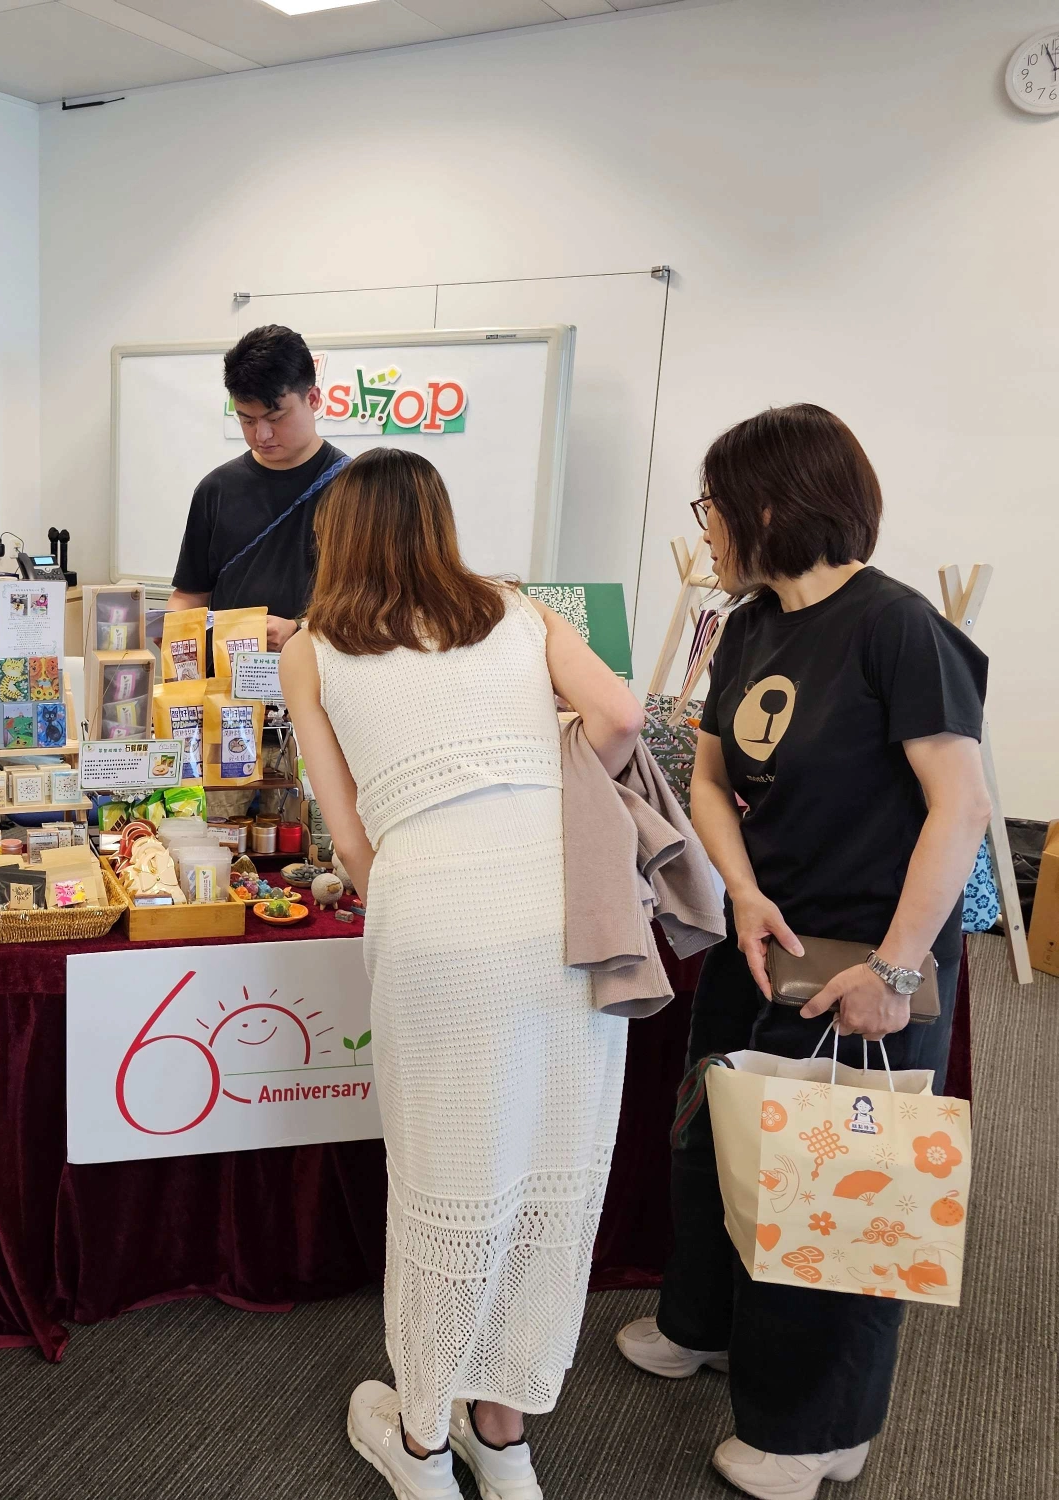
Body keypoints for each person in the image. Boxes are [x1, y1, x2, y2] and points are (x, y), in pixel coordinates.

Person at [618, 405, 989, 1500]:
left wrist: (896, 969)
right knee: (714, 1140)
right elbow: (707, 778)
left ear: (770, 507)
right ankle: (702, 1325)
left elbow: (961, 808)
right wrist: (739, 891)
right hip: (762, 936)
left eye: (713, 506)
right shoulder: (748, 624)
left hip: (866, 953)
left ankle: (817, 1431)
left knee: (832, 1187)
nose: (705, 527)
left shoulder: (898, 628)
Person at [282, 448, 643, 1500]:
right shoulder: (518, 611)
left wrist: (401, 877)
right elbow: (621, 718)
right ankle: (504, 1435)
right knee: (548, 1162)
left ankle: (423, 1444)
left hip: (434, 914)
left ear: (335, 537)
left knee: (445, 1175)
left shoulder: (310, 650)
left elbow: (349, 835)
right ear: (439, 524)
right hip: (560, 908)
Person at [170, 323, 348, 649]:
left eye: (275, 417)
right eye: (247, 420)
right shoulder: (216, 489)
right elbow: (190, 593)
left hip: (319, 672)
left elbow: (379, 604)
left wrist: (299, 629)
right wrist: (175, 629)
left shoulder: (355, 489)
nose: (261, 435)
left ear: (312, 398)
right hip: (226, 676)